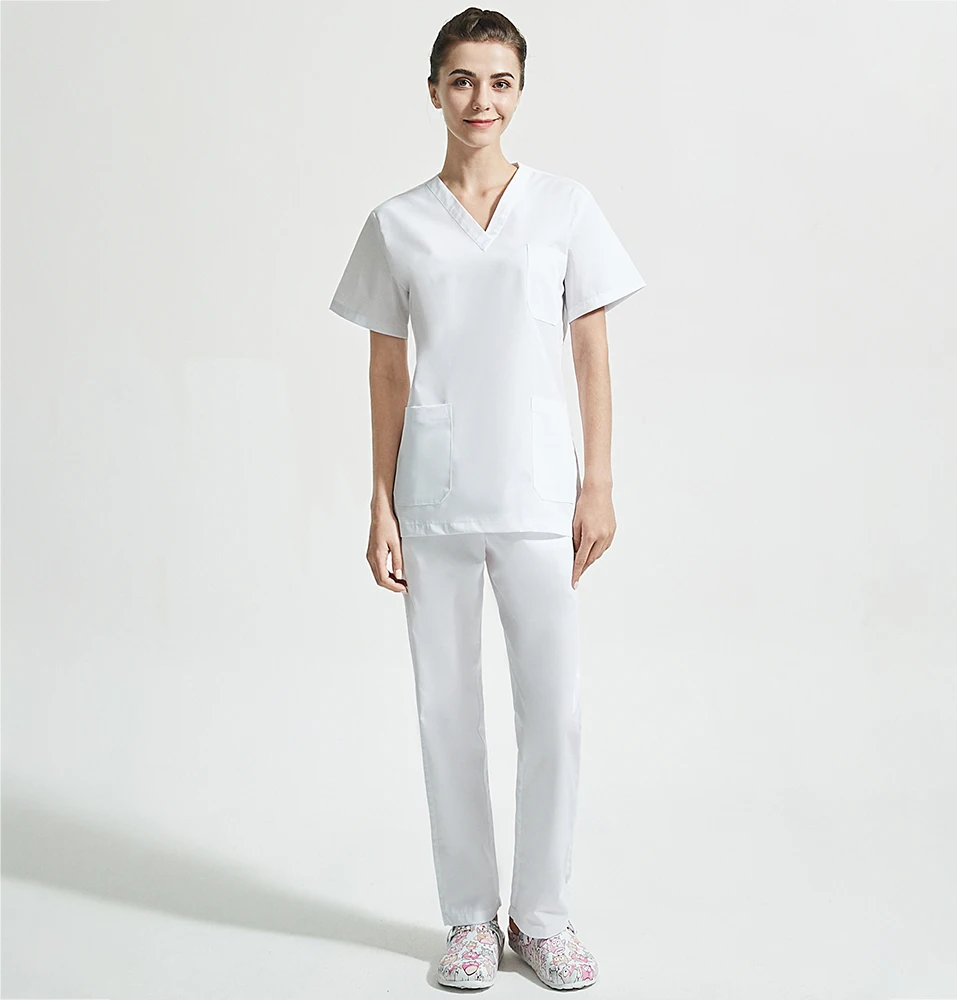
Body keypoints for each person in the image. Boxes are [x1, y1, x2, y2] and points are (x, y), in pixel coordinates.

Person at [328, 7, 644, 990]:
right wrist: (379, 503)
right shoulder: (397, 223)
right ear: (433, 90)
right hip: (434, 494)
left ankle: (540, 916)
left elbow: (590, 351)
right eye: (462, 80)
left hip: (540, 492)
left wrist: (597, 481)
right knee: (445, 711)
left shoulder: (564, 209)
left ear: (519, 93)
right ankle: (470, 917)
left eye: (499, 82)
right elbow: (388, 371)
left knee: (554, 709)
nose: (481, 100)